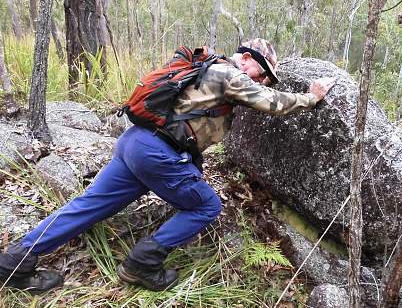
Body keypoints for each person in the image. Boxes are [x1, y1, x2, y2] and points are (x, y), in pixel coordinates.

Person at [0, 38, 334, 293]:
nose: (261, 82)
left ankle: (12, 262)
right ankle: (142, 264)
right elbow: (271, 103)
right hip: (155, 152)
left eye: (264, 79)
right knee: (207, 205)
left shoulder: (206, 72)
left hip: (135, 143)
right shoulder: (227, 72)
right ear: (246, 57)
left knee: (86, 207)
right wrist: (311, 97)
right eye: (261, 73)